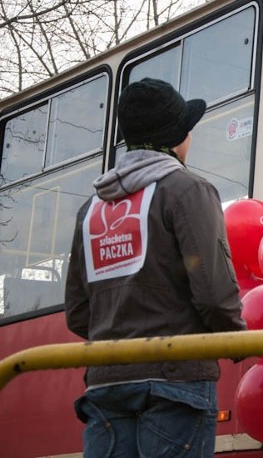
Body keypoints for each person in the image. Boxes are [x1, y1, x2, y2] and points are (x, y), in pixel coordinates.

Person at [65, 78, 246, 458]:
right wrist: (237, 339)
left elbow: (79, 313)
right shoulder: (187, 190)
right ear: (177, 138)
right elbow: (213, 295)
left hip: (105, 385)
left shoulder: (91, 209)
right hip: (174, 381)